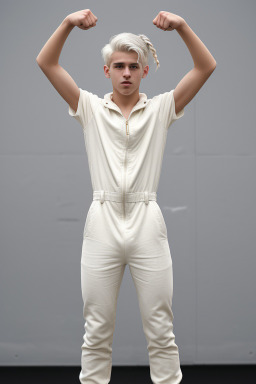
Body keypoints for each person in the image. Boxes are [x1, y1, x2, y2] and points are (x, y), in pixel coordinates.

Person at [36, 9, 216, 384]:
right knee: (97, 330)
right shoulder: (89, 107)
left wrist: (182, 25)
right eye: (119, 65)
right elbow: (47, 62)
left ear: (144, 71)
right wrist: (68, 23)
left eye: (134, 66)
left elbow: (205, 66)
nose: (126, 73)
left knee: (161, 330)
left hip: (146, 220)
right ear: (107, 71)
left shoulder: (162, 107)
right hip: (100, 222)